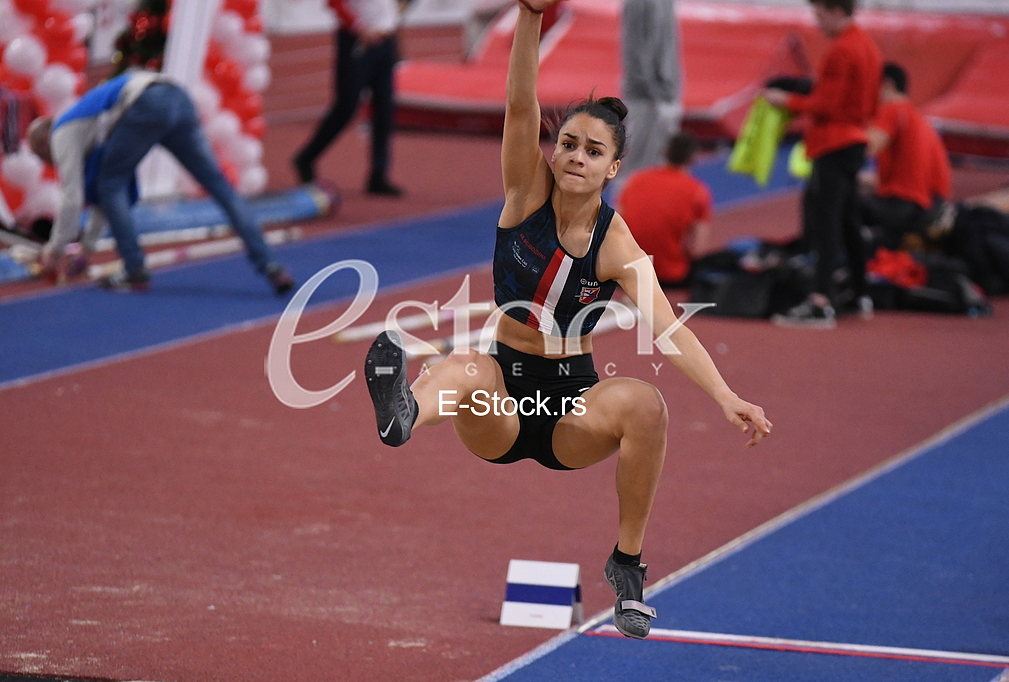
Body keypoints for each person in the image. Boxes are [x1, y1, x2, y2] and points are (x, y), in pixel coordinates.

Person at [362, 0, 771, 641]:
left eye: (593, 150)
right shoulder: (525, 192)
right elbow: (521, 106)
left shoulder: (617, 244)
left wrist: (727, 396)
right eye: (569, 144)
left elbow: (670, 329)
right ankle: (404, 415)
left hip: (569, 411)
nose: (575, 155)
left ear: (614, 168)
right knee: (464, 364)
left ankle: (627, 563)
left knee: (646, 404)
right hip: (500, 398)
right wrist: (530, 17)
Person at [27, 71, 295, 294]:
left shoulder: (63, 133)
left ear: (44, 144)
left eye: (45, 158)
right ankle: (271, 266)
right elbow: (100, 198)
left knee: (112, 184)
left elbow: (72, 198)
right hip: (176, 96)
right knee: (218, 185)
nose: (54, 164)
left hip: (146, 102)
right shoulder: (89, 129)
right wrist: (86, 250)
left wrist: (54, 250)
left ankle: (135, 270)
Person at [764, 0, 882, 328]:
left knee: (825, 224)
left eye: (818, 14)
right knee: (848, 221)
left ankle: (820, 301)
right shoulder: (868, 47)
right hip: (853, 141)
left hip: (834, 143)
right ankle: (860, 293)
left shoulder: (842, 50)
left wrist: (786, 101)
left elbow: (826, 104)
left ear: (836, 11)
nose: (816, 22)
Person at [293, 0, 404, 196]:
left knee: (385, 107)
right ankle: (306, 158)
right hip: (357, 41)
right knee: (346, 107)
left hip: (385, 40)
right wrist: (357, 27)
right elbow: (334, 2)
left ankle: (379, 174)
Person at [862, 62, 952, 250]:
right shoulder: (918, 120)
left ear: (887, 85)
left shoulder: (892, 109)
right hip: (926, 209)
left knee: (837, 201)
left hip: (902, 208)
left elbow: (866, 147)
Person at [617, 129, 711, 287]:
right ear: (693, 158)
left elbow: (615, 224)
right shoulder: (697, 191)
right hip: (670, 275)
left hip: (626, 271)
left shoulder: (634, 181)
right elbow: (697, 249)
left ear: (665, 153)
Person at [618, 0, 682, 178]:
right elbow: (634, 50)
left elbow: (669, 46)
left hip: (666, 92)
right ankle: (628, 203)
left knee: (663, 164)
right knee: (637, 165)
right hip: (646, 96)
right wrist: (653, 91)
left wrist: (671, 91)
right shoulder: (638, 3)